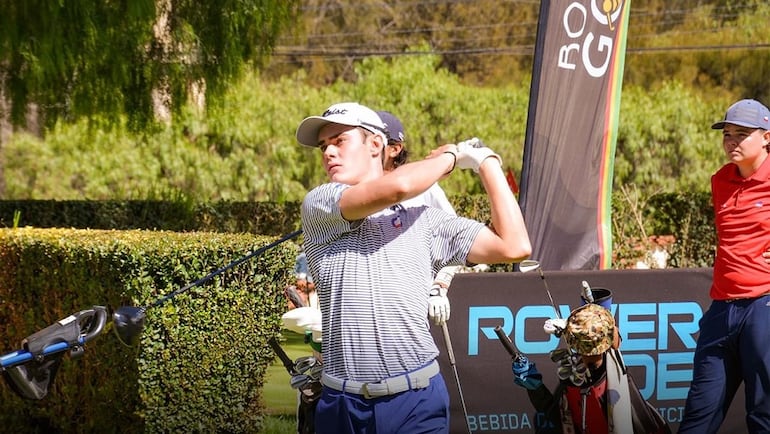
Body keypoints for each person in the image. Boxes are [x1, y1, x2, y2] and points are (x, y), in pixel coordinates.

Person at [295, 101, 532, 433]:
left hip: (415, 402)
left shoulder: (425, 221)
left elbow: (515, 246)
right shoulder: (320, 204)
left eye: (339, 141)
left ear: (376, 144)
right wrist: (450, 158)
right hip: (341, 404)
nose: (328, 153)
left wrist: (486, 162)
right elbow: (398, 187)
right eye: (323, 146)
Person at [679, 99, 770, 434]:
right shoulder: (720, 180)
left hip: (764, 307)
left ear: (766, 137)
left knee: (764, 417)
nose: (731, 141)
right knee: (697, 418)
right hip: (721, 309)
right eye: (727, 133)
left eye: (742, 134)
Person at [512, 302, 670, 434]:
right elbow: (560, 416)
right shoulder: (609, 365)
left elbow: (556, 416)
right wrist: (535, 387)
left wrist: (534, 386)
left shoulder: (587, 378)